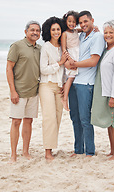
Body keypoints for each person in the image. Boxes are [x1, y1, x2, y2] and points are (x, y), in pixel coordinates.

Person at [67, 10, 105, 157]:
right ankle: (78, 150)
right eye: (80, 23)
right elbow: (69, 30)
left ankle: (89, 151)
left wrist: (75, 64)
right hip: (74, 81)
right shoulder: (81, 35)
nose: (83, 25)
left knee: (85, 119)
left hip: (86, 84)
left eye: (85, 22)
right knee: (75, 118)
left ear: (92, 20)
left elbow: (93, 61)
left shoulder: (97, 37)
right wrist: (78, 28)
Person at [91, 20, 114, 160]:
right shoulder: (108, 49)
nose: (107, 35)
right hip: (108, 92)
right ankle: (113, 151)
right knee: (110, 123)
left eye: (111, 32)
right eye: (105, 32)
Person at [6, 21, 41, 162]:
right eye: (32, 30)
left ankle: (25, 152)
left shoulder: (39, 49)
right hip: (19, 92)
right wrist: (12, 91)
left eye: (38, 30)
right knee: (16, 122)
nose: (35, 32)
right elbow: (9, 69)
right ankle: (13, 154)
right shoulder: (17, 46)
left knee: (29, 121)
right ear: (26, 31)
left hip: (34, 92)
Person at [39, 16, 68, 160]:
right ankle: (47, 152)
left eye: (58, 29)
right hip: (46, 86)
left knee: (57, 118)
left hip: (59, 87)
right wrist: (59, 63)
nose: (56, 32)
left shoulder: (64, 46)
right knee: (49, 118)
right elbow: (43, 69)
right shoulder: (46, 47)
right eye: (53, 29)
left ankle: (51, 147)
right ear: (48, 31)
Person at [61, 10, 80, 111]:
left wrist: (94, 27)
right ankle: (65, 99)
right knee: (71, 77)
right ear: (66, 22)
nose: (71, 24)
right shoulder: (65, 34)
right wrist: (69, 59)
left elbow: (84, 29)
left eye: (73, 22)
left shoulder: (76, 31)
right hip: (71, 55)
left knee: (75, 75)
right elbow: (64, 49)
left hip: (78, 54)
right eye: (69, 21)